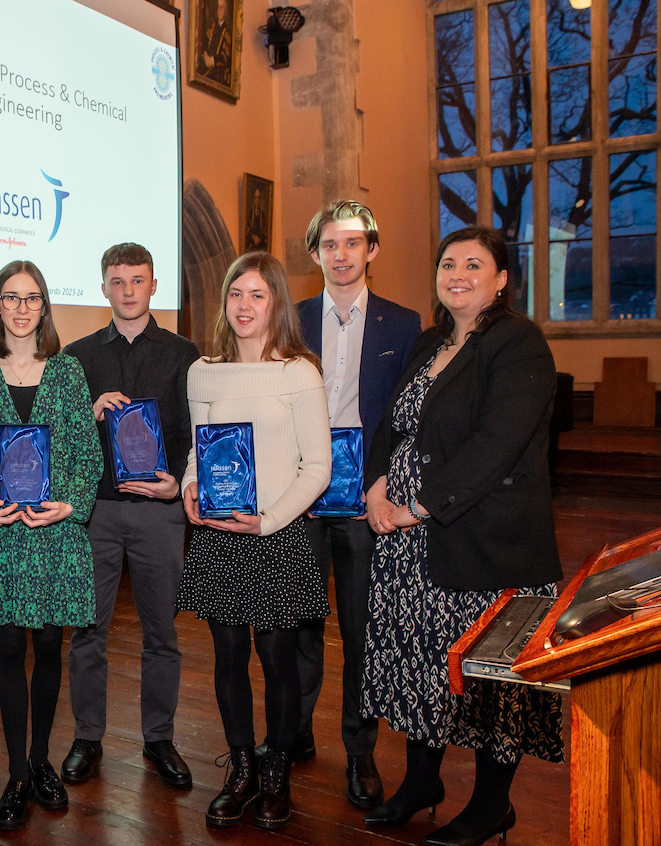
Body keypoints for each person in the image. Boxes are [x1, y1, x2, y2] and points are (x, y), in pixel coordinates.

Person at [360, 226, 563, 846]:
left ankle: (492, 805)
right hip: (408, 544)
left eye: (474, 265)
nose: (457, 274)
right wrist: (375, 484)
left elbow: (497, 445)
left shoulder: (518, 344)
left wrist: (417, 504)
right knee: (422, 667)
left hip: (483, 543)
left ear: (502, 280)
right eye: (448, 263)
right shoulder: (428, 343)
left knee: (487, 681)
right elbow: (394, 425)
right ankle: (423, 783)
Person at [271, 200, 420, 808]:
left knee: (360, 629)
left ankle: (359, 752)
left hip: (364, 499)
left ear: (372, 251)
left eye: (353, 243)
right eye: (330, 245)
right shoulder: (293, 319)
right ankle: (297, 732)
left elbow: (408, 417)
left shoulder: (404, 324)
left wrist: (385, 482)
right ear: (315, 255)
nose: (341, 254)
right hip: (302, 497)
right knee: (301, 622)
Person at [178, 251, 331, 830]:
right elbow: (200, 448)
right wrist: (192, 487)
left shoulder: (299, 372)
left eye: (257, 295)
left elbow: (316, 467)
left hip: (276, 533)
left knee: (277, 661)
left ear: (276, 304)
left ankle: (276, 773)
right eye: (235, 294)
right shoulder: (203, 371)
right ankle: (240, 767)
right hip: (219, 535)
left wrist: (267, 520)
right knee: (228, 657)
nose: (244, 305)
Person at [0, 260, 101, 831]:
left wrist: (70, 502)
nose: (21, 308)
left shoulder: (67, 374)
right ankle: (17, 772)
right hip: (2, 539)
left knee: (48, 649)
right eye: (10, 298)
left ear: (44, 307)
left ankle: (42, 759)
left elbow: (88, 459)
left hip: (55, 536)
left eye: (32, 298)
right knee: (10, 653)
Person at [60, 243, 200, 788]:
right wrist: (86, 412)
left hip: (160, 514)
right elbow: (63, 443)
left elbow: (194, 436)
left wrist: (177, 484)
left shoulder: (184, 354)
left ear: (153, 285)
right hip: (95, 513)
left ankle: (159, 738)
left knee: (161, 632)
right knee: (87, 632)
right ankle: (87, 736)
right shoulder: (76, 358)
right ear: (102, 288)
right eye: (116, 281)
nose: (127, 291)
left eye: (137, 280)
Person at [201, 0, 232, 85]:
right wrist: (205, 55)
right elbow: (205, 42)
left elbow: (225, 56)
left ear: (225, 11)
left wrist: (212, 60)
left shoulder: (227, 32)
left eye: (222, 7)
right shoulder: (212, 27)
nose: (219, 10)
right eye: (218, 6)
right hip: (206, 62)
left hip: (217, 68)